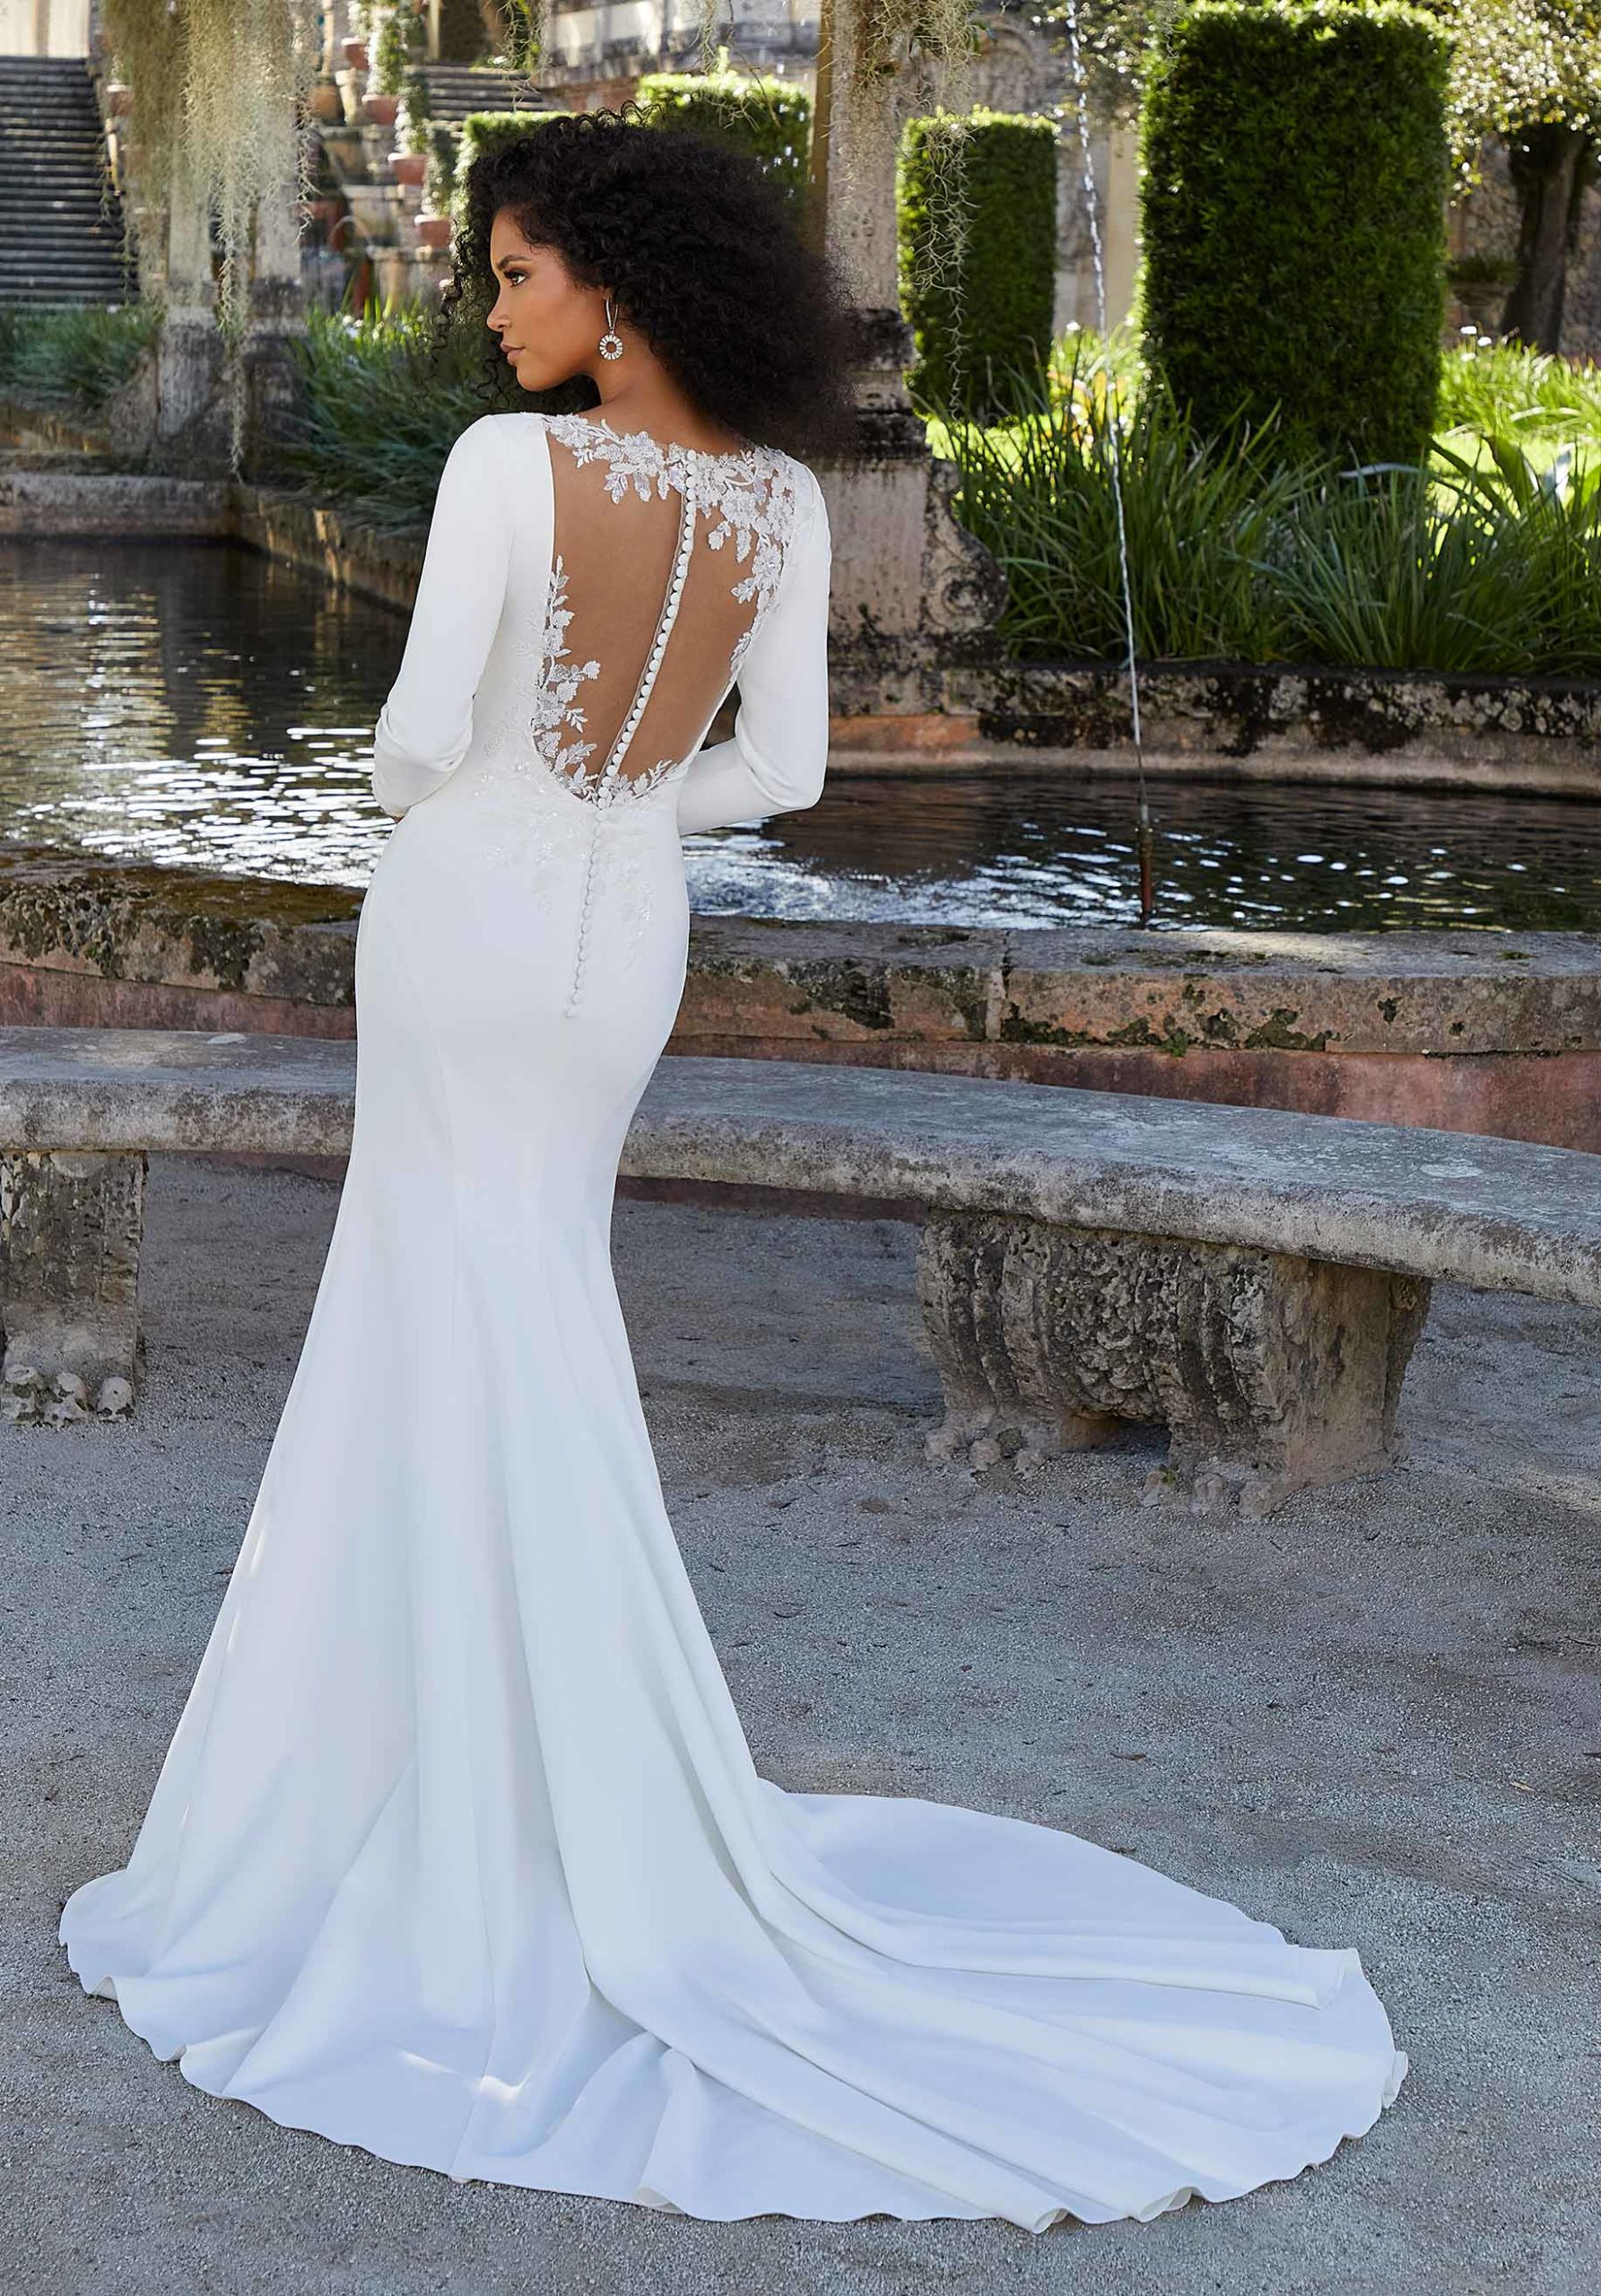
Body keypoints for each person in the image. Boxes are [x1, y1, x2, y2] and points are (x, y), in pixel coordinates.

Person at [58, 111, 1406, 2231]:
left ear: (615, 287)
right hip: (622, 940)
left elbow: (407, 741)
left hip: (473, 906)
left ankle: (442, 1793)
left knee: (438, 1306)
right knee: (532, 1299)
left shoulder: (507, 468)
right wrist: (615, 806)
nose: (491, 306)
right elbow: (774, 769)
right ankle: (572, 1775)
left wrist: (502, 787)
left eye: (516, 272)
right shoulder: (776, 496)